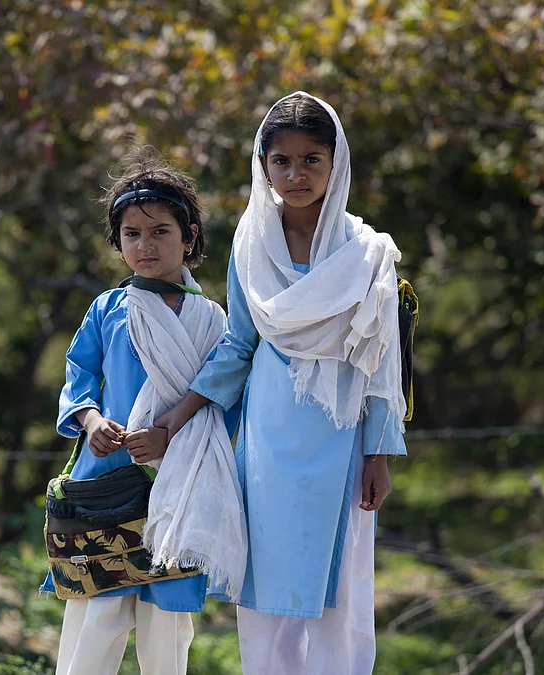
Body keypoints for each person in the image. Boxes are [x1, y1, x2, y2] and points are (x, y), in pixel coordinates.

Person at [155, 92, 409, 674]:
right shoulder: (251, 244)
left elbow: (380, 362)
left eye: (311, 160)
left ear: (335, 162)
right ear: (263, 164)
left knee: (338, 589)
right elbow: (240, 344)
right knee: (264, 585)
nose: (296, 175)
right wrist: (182, 413)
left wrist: (379, 454)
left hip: (341, 438)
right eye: (282, 161)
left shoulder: (365, 253)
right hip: (267, 437)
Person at [42, 150, 241, 675]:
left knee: (166, 634)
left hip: (178, 490)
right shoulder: (108, 308)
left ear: (189, 236)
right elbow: (79, 375)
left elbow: (222, 396)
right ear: (117, 240)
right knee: (96, 623)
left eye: (160, 232)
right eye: (132, 234)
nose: (145, 245)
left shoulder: (212, 320)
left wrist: (168, 437)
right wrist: (90, 423)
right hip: (106, 480)